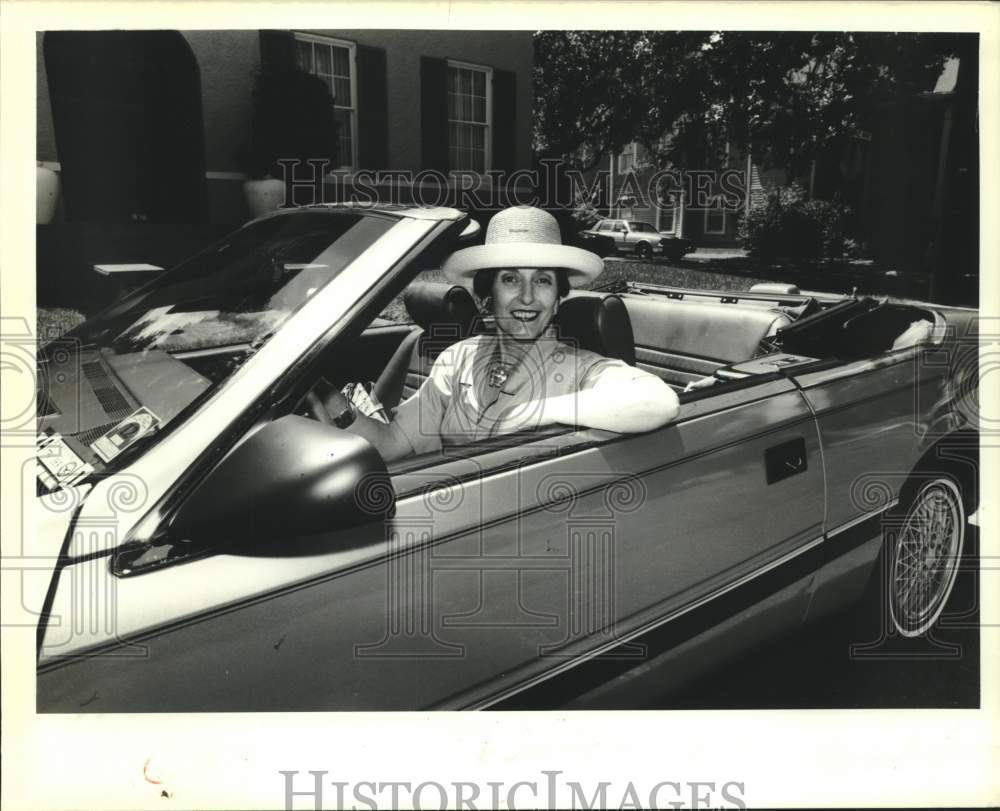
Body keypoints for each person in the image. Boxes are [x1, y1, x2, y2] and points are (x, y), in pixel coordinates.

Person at [317, 205, 680, 461]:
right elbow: (391, 443)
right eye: (510, 279)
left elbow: (657, 401)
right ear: (490, 294)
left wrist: (531, 412)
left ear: (557, 299)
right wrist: (324, 396)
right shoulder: (458, 359)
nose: (526, 296)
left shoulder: (577, 367)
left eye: (542, 280)